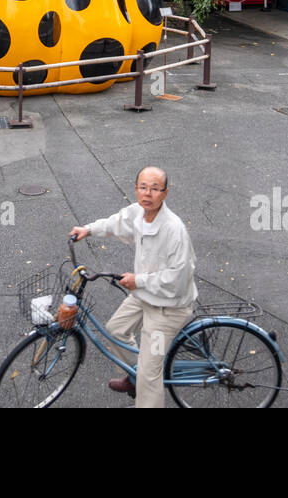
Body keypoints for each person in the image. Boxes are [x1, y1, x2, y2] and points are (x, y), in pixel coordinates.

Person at [69, 166, 197, 408]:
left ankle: (144, 376)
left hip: (168, 308)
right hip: (145, 294)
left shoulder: (174, 229)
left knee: (150, 376)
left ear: (165, 193)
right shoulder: (139, 212)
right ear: (136, 189)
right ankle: (135, 373)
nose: (148, 194)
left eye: (155, 189)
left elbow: (177, 279)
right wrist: (88, 230)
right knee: (115, 330)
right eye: (143, 187)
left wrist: (138, 281)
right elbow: (117, 222)